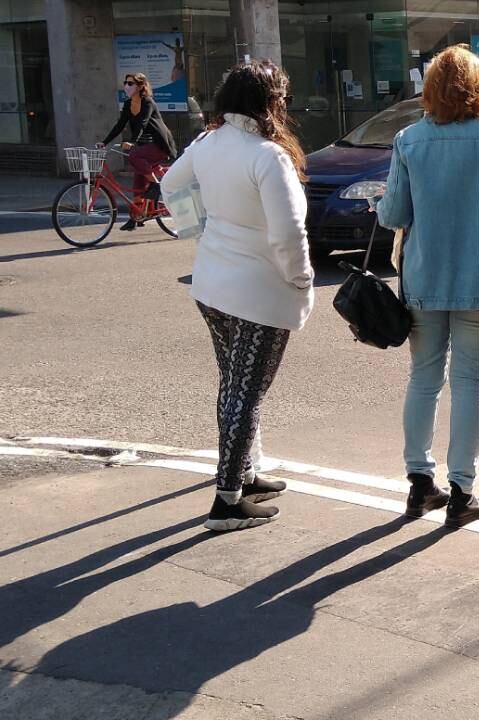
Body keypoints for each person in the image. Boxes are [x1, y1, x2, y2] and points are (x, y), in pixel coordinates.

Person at [376, 45, 479, 529]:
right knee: (470, 382)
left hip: (423, 281)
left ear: (430, 91)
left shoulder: (409, 140)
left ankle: (418, 483)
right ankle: (462, 491)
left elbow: (393, 215)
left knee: (424, 379)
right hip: (477, 281)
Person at [160, 59, 314, 532]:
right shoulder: (267, 156)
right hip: (260, 292)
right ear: (269, 103)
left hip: (212, 284)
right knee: (246, 394)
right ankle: (227, 500)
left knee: (233, 385)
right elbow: (288, 234)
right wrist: (303, 278)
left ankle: (244, 476)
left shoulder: (209, 143)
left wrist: (201, 230)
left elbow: (170, 184)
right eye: (281, 99)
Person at [102, 73, 178, 231]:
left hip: (159, 145)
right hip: (144, 147)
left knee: (135, 156)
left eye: (130, 83)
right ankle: (136, 216)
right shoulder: (129, 103)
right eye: (126, 83)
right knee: (138, 183)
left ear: (140, 86)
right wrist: (104, 142)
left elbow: (143, 123)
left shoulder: (147, 102)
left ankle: (156, 186)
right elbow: (119, 125)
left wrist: (132, 142)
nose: (127, 86)